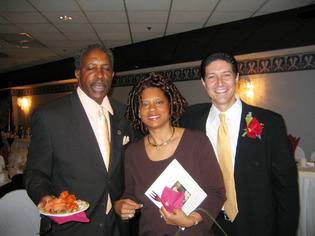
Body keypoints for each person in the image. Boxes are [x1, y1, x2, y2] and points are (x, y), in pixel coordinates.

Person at [181, 52, 299, 236]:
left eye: (226, 75)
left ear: (237, 78)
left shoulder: (270, 122)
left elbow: (286, 189)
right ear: (203, 83)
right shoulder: (190, 119)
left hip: (257, 224)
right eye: (211, 77)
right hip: (207, 224)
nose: (219, 83)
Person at [24, 44, 136, 236]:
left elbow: (127, 169)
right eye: (91, 68)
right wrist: (45, 196)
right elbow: (35, 171)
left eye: (106, 68)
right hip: (71, 227)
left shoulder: (124, 114)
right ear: (77, 73)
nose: (100, 74)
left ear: (113, 74)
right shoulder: (50, 116)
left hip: (116, 226)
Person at [114, 73, 225, 235]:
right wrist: (121, 205)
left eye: (159, 102)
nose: (152, 109)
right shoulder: (133, 153)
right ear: (138, 112)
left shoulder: (196, 142)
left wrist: (192, 218)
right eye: (145, 104)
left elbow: (216, 192)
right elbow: (131, 194)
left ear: (170, 106)